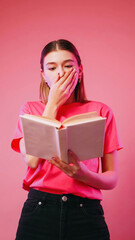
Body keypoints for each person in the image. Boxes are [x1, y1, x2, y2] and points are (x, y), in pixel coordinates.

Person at [11, 39, 123, 240]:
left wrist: (84, 175)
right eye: (52, 68)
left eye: (68, 66)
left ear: (80, 71)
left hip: (86, 213)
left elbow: (111, 177)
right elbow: (32, 160)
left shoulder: (102, 111)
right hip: (39, 210)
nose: (61, 73)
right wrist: (52, 104)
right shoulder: (30, 110)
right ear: (43, 75)